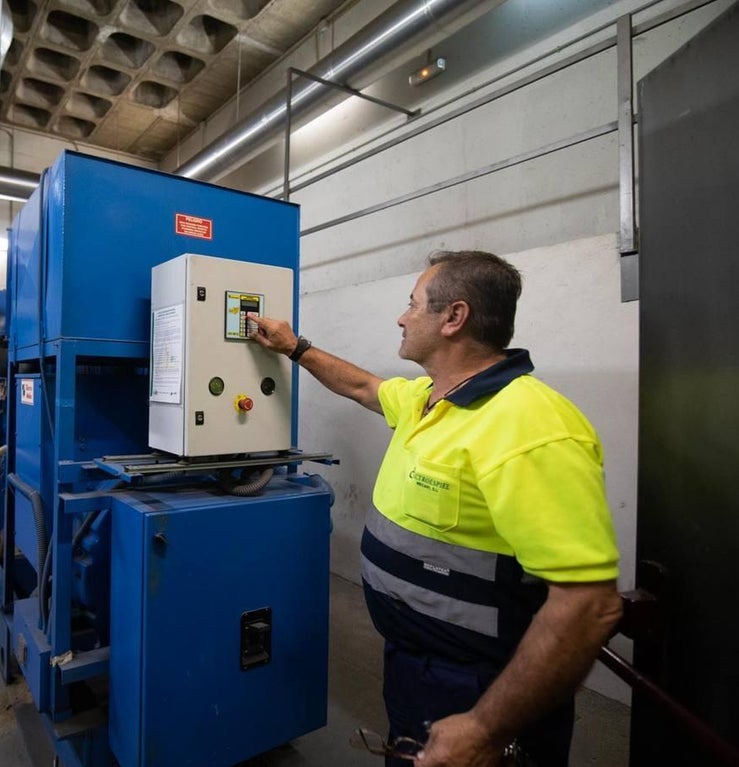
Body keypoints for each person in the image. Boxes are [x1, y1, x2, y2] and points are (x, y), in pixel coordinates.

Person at [247, 251, 622, 767]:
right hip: (415, 664)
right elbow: (361, 385)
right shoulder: (431, 396)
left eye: (412, 303)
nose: (402, 317)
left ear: (454, 317)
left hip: (480, 685)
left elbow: (587, 606)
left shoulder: (530, 426)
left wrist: (485, 728)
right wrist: (296, 347)